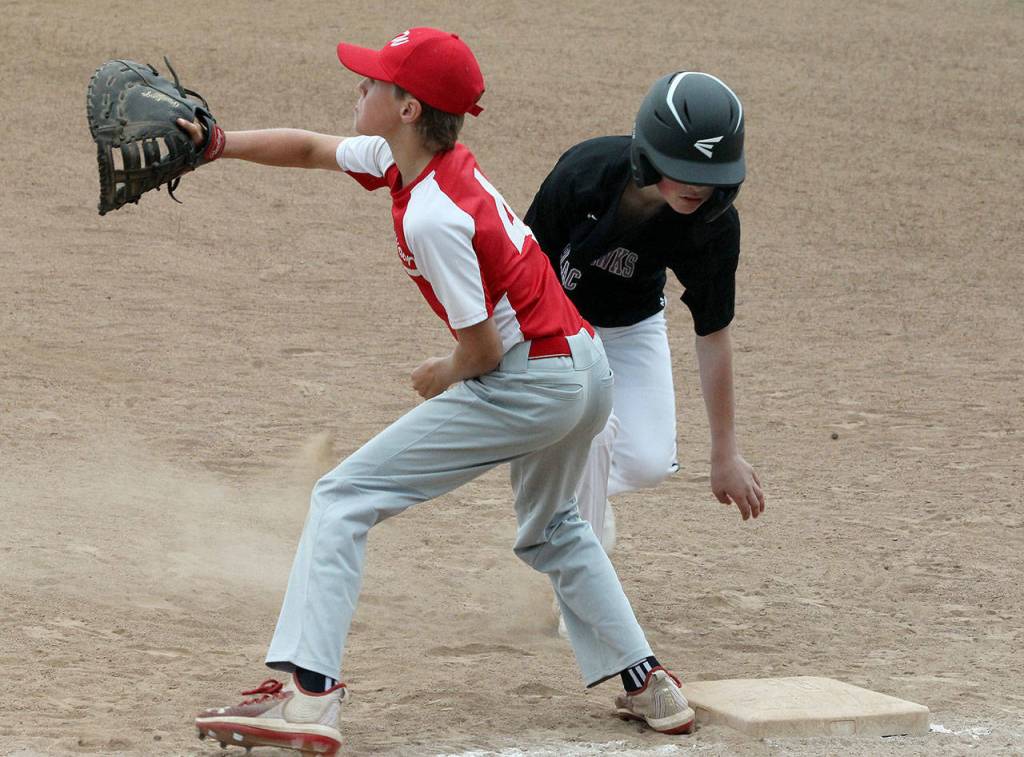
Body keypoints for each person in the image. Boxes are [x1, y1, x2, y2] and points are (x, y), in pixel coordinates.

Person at [186, 29, 696, 755]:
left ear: (408, 107)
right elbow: (309, 148)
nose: (360, 89)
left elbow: (483, 348)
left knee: (342, 496)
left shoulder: (434, 215)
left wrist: (443, 370)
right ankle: (650, 682)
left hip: (535, 380)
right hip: (585, 370)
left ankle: (309, 693)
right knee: (552, 526)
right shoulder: (425, 162)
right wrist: (218, 143)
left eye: (374, 82)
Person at [524, 72, 766, 618]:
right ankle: (580, 593)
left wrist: (725, 450)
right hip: (555, 320)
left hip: (632, 324)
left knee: (649, 461)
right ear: (646, 155)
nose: (696, 187)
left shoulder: (714, 226)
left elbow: (713, 333)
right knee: (594, 433)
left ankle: (562, 503)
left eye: (711, 175)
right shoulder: (584, 174)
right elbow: (519, 268)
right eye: (682, 169)